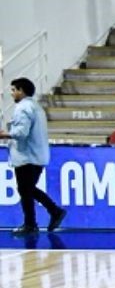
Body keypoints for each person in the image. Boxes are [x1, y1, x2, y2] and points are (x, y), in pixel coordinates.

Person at [2, 78, 65, 234]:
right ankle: (42, 217)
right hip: (37, 155)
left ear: (21, 90)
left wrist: (5, 134)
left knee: (26, 189)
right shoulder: (36, 107)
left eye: (14, 90)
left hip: (26, 156)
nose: (12, 93)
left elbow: (21, 133)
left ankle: (39, 219)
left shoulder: (23, 108)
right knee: (27, 189)